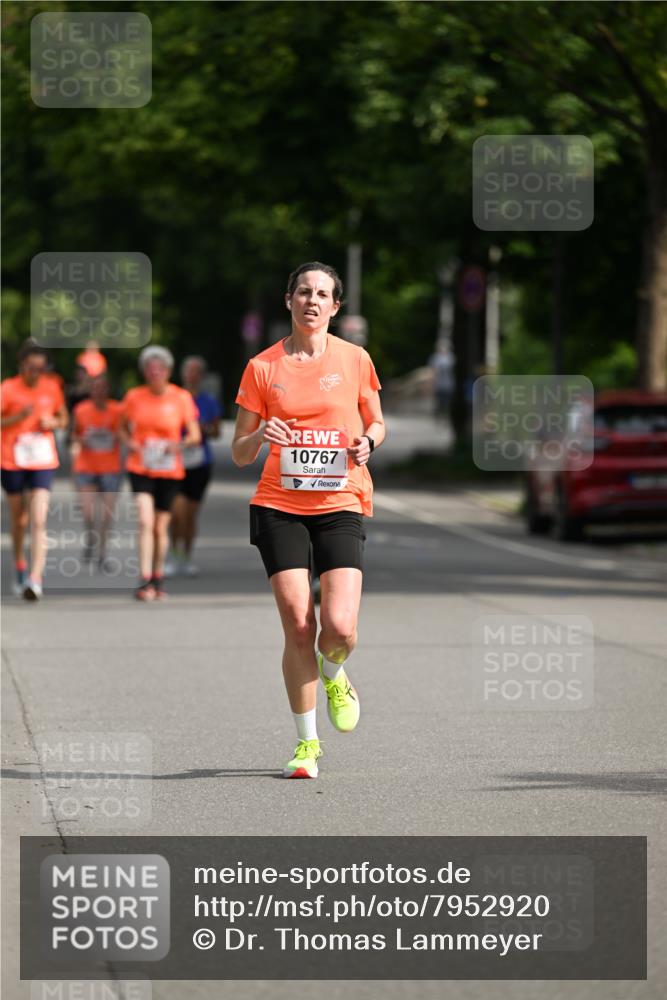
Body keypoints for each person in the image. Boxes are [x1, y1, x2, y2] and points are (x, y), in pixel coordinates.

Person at [232, 262, 385, 779]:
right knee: (300, 625)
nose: (312, 301)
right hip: (279, 504)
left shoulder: (355, 358)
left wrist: (369, 442)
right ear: (289, 300)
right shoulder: (262, 367)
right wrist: (260, 438)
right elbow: (237, 452)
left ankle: (335, 672)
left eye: (322, 294)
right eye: (303, 292)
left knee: (339, 627)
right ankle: (307, 745)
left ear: (335, 307)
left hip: (341, 500)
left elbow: (377, 422)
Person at [119, 346, 200, 601]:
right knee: (145, 521)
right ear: (144, 372)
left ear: (167, 371)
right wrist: (129, 442)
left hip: (168, 468)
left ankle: (157, 576)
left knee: (160, 526)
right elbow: (120, 428)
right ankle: (144, 579)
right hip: (140, 466)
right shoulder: (134, 396)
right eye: (149, 370)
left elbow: (195, 435)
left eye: (159, 369)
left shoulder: (181, 397)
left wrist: (179, 444)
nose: (154, 373)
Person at [1, 342, 68, 600]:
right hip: (11, 459)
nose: (36, 373)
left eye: (41, 368)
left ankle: (35, 578)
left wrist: (54, 422)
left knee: (39, 519)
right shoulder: (7, 388)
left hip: (42, 459)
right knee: (20, 520)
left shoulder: (51, 387)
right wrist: (16, 418)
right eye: (31, 368)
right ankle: (20, 565)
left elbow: (64, 418)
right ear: (22, 366)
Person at [165, 355, 222, 577]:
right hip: (174, 461)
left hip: (200, 462)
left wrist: (202, 429)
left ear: (202, 376)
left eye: (197, 371)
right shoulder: (173, 397)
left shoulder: (208, 401)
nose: (192, 374)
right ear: (182, 373)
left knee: (189, 515)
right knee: (175, 513)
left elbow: (216, 432)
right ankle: (173, 553)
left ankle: (186, 557)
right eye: (189, 370)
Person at [71, 373, 123, 569]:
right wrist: (82, 440)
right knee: (88, 512)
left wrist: (115, 435)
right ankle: (90, 538)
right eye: (96, 388)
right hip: (86, 467)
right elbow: (73, 435)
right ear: (91, 391)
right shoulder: (81, 410)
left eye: (103, 388)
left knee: (107, 515)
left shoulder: (118, 410)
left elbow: (125, 433)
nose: (99, 392)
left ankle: (102, 553)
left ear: (108, 391)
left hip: (110, 468)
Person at [429, 339, 455, 420]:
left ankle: (447, 415)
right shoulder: (435, 358)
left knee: (448, 400)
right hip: (439, 383)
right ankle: (439, 416)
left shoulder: (451, 357)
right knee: (439, 400)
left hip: (449, 383)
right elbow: (433, 370)